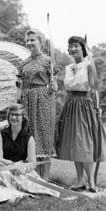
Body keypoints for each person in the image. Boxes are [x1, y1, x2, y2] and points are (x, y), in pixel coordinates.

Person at [56, 36, 106, 192]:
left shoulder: (88, 65)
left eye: (76, 45)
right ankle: (80, 181)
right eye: (70, 45)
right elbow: (67, 88)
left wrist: (98, 107)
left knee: (85, 143)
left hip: (85, 105)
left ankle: (91, 182)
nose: (72, 48)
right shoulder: (69, 67)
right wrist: (64, 108)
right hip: (71, 105)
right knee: (74, 145)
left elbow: (94, 88)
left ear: (83, 48)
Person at [0, 104, 59, 197]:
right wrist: (8, 164)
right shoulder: (1, 134)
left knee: (25, 180)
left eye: (17, 115)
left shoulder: (29, 138)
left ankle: (14, 191)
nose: (13, 117)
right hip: (4, 167)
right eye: (11, 114)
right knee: (2, 175)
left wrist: (22, 168)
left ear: (23, 118)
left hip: (21, 169)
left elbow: (32, 163)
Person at [18, 29, 58, 179]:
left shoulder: (48, 61)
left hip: (43, 99)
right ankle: (34, 175)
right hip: (27, 100)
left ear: (40, 42)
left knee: (44, 135)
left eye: (32, 40)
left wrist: (53, 86)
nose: (29, 43)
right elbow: (20, 84)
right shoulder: (24, 63)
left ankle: (45, 176)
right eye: (27, 40)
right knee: (30, 135)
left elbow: (55, 84)